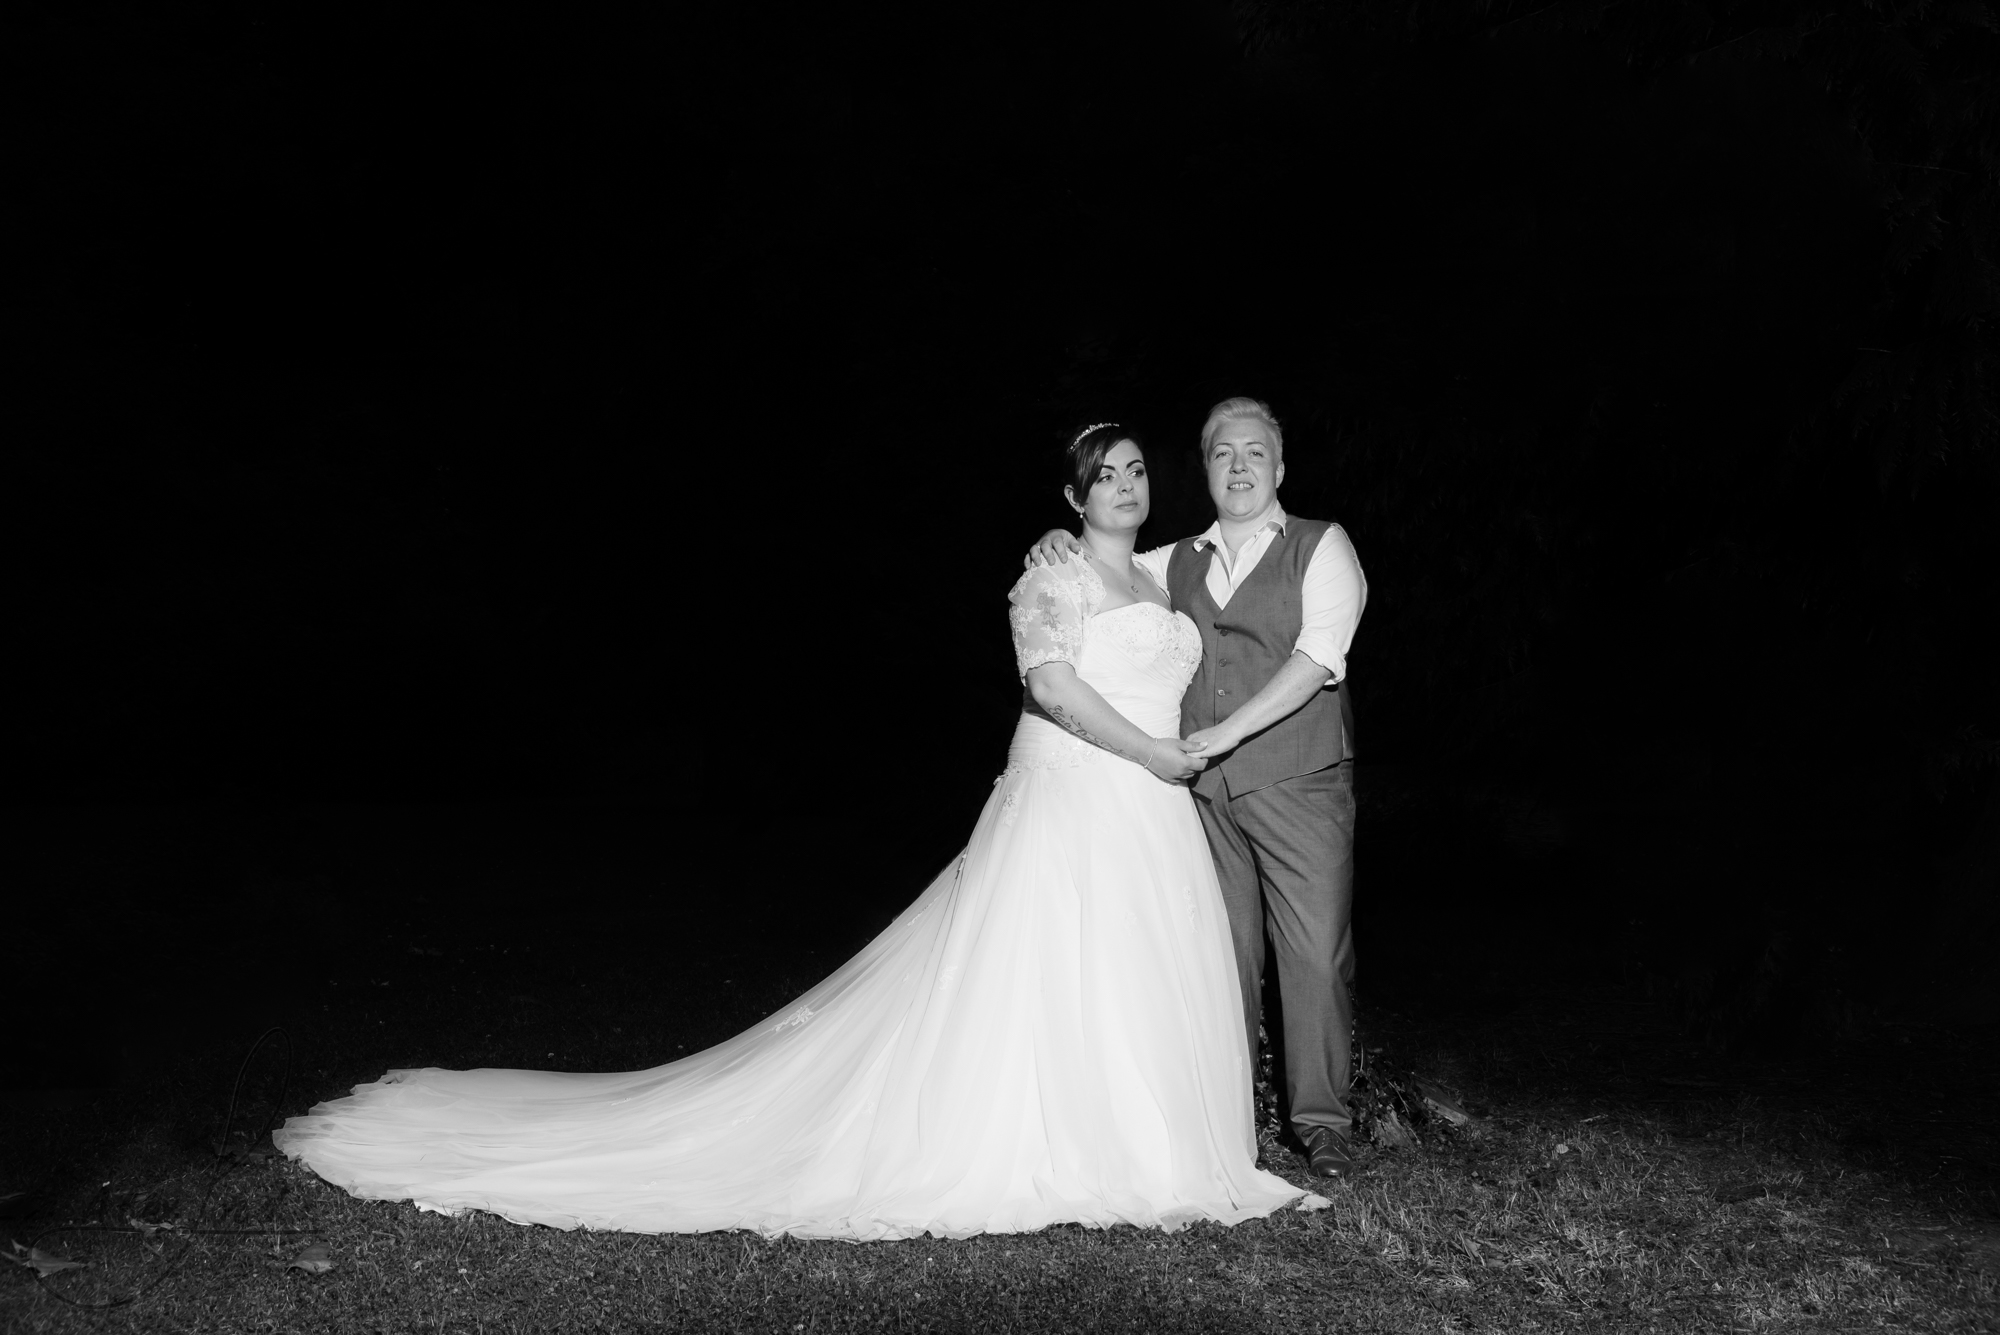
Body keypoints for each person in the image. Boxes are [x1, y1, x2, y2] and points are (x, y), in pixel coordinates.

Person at [272, 423, 1325, 1239]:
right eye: (1103, 476)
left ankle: (1153, 1147)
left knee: (1137, 973)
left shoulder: (1169, 570)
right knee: (1039, 970)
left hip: (1152, 812)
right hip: (1082, 789)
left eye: (1137, 469)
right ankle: (1044, 1140)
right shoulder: (1051, 572)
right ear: (1069, 497)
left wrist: (1161, 761)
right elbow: (1049, 687)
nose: (1125, 487)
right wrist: (1146, 755)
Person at [1026, 397, 1367, 1178]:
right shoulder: (1170, 559)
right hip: (1202, 796)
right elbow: (1097, 565)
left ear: (1279, 468)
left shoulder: (1323, 546)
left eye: (1255, 452)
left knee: (1313, 954)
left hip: (1298, 779)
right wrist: (1053, 537)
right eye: (1223, 453)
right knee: (1219, 956)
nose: (1240, 466)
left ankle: (1321, 1124)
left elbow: (1316, 659)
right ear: (1206, 468)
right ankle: (1222, 1111)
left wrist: (1227, 731)